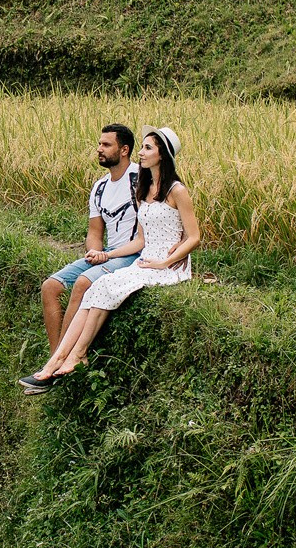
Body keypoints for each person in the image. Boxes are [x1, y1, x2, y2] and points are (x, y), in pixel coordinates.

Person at [21, 127, 202, 393]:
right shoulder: (143, 189)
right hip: (145, 258)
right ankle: (60, 359)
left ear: (162, 155)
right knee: (96, 288)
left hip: (166, 266)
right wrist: (105, 254)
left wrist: (166, 261)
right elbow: (141, 240)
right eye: (142, 147)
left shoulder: (177, 190)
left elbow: (194, 236)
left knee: (97, 286)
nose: (142, 152)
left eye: (148, 148)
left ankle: (72, 355)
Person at [40, 124, 142, 352]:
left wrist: (106, 254)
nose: (99, 149)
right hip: (107, 252)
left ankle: (60, 359)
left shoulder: (140, 179)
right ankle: (56, 355)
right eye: (99, 144)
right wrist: (95, 252)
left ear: (124, 150)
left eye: (106, 145)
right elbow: (95, 232)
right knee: (50, 287)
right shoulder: (100, 187)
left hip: (132, 254)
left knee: (83, 282)